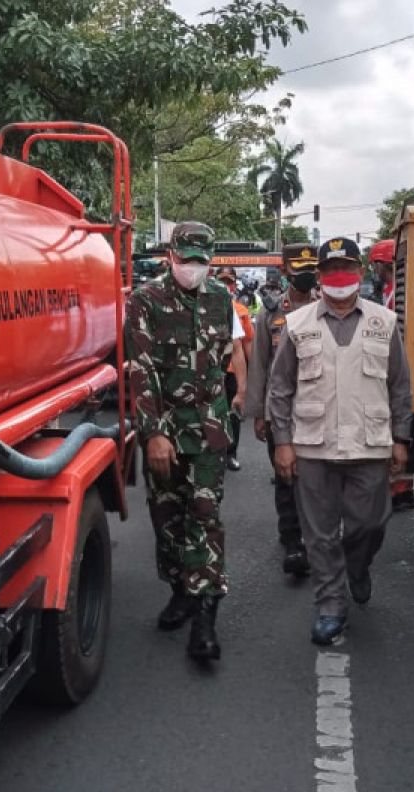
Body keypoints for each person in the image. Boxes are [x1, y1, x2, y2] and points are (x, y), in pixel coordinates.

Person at [268, 237, 412, 646]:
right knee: (319, 533)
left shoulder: (384, 322)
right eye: (330, 270)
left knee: (370, 523)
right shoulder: (298, 325)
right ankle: (330, 605)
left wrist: (402, 437)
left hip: (370, 444)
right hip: (313, 446)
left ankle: (357, 566)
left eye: (346, 268)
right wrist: (282, 442)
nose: (338, 277)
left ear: (361, 271)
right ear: (320, 276)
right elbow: (280, 390)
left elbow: (399, 385)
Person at [125, 221, 246, 661]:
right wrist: (155, 434)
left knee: (206, 516)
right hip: (166, 433)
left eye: (201, 260)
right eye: (185, 259)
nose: (192, 268)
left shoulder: (220, 299)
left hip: (209, 431)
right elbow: (141, 371)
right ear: (169, 257)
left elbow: (224, 359)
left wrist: (230, 406)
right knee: (168, 519)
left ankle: (206, 620)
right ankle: (180, 589)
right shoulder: (144, 301)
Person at [245, 242, 319, 578]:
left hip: (319, 409)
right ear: (287, 270)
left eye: (311, 270)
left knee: (318, 478)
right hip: (282, 411)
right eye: (299, 270)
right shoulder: (272, 313)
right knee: (286, 476)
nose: (306, 277)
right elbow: (260, 364)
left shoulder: (327, 307)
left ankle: (317, 535)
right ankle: (292, 541)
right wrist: (259, 413)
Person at [369, 239, 414, 512]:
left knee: (393, 428)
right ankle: (400, 488)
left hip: (396, 368)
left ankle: (399, 489)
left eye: (374, 264)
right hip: (398, 367)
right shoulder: (392, 290)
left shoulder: (398, 292)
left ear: (381, 264)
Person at [215, 267, 253, 472]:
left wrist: (247, 384)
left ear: (235, 284)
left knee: (232, 413)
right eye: (222, 281)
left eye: (229, 281)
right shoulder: (207, 305)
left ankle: (231, 453)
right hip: (212, 372)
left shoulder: (241, 311)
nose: (226, 285)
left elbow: (246, 346)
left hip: (232, 371)